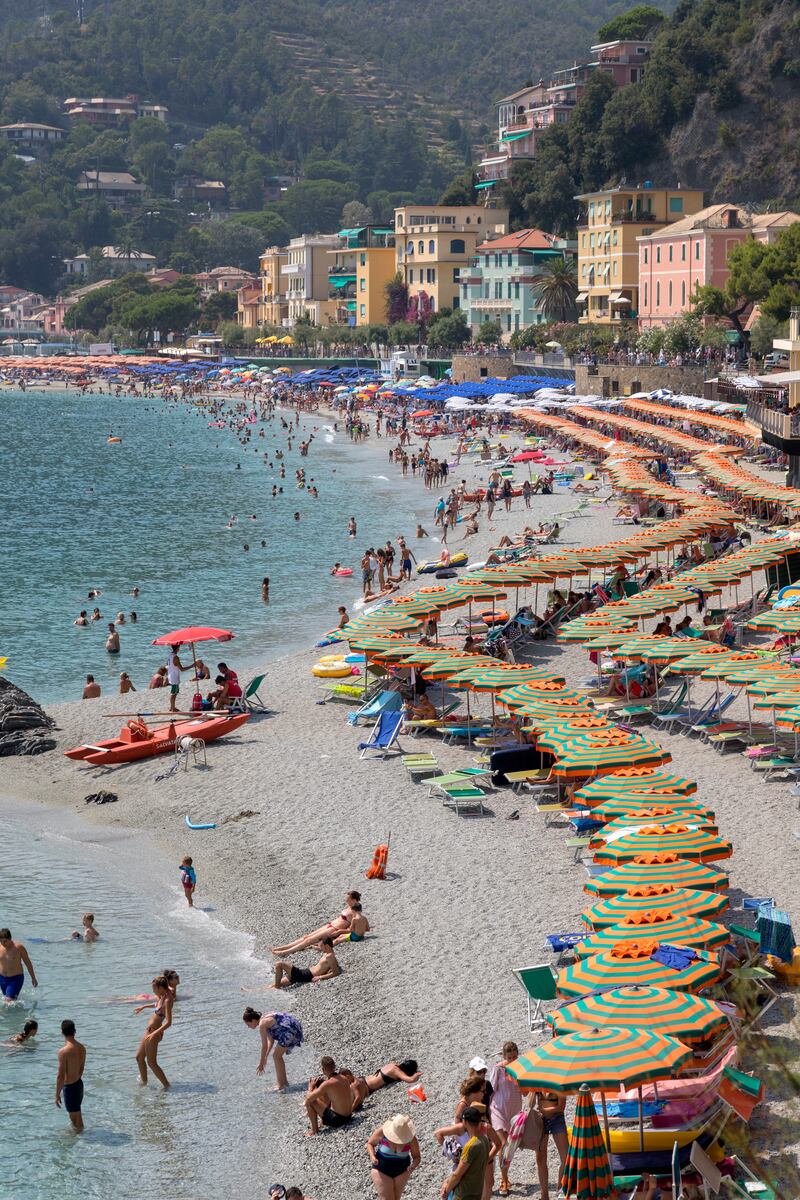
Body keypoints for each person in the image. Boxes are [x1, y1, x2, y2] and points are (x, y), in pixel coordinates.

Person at [270, 891, 362, 954]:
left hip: (334, 929)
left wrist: (339, 933)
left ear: (354, 900)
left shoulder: (355, 912)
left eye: (348, 899)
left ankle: (284, 952)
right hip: (330, 925)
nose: (346, 900)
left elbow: (353, 928)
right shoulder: (350, 907)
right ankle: (284, 947)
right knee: (306, 937)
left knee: (308, 941)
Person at [242, 1008, 304, 1092]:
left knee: (276, 1056)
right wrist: (265, 1058)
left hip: (290, 1029)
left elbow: (264, 1046)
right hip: (294, 1026)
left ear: (252, 1020)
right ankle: (284, 1082)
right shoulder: (264, 1018)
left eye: (248, 1024)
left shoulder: (262, 1024)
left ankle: (280, 1085)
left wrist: (261, 1063)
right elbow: (270, 1041)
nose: (248, 1027)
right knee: (277, 1056)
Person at [489, 1043, 523, 1196]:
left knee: (509, 1146)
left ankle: (505, 1175)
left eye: (515, 1057)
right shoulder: (498, 1069)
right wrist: (486, 1114)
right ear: (504, 1057)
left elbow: (524, 1090)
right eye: (509, 1057)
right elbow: (490, 1090)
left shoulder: (521, 1067)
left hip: (514, 1111)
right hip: (498, 1109)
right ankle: (504, 1180)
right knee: (503, 1144)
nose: (512, 1060)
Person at [439, 1106, 492, 1200]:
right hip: (477, 1191)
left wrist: (446, 1190)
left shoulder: (470, 1146)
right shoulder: (484, 1140)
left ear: (465, 1122)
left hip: (464, 1194)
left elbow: (457, 1175)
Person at [367, 1113, 421, 1197]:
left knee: (396, 1197)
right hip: (381, 1168)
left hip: (402, 1170)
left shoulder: (411, 1138)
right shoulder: (383, 1131)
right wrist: (372, 1156)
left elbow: (417, 1157)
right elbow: (370, 1143)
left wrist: (413, 1166)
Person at [134, 975, 173, 1088]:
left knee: (151, 1063)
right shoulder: (162, 996)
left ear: (161, 987)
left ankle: (167, 1086)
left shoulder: (168, 1000)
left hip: (154, 1032)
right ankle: (144, 1083)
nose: (152, 990)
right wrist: (144, 1006)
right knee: (139, 1057)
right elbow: (157, 1006)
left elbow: (168, 1022)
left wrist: (155, 1033)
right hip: (150, 1031)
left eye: (154, 988)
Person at [531, 1088, 568, 1200]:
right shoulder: (538, 1084)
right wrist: (533, 1092)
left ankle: (560, 1189)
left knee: (566, 1157)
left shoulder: (558, 1083)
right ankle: (544, 1195)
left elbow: (561, 1106)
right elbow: (530, 1104)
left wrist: (544, 1110)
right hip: (541, 1120)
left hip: (557, 1119)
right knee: (540, 1158)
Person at [305, 1057, 355, 1134]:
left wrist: (310, 1087)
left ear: (323, 1069)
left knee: (311, 1101)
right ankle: (321, 1122)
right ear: (334, 1067)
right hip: (349, 1116)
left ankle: (314, 1130)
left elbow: (309, 1098)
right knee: (325, 1095)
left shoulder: (327, 1084)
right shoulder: (344, 1078)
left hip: (338, 1120)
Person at [270, 939, 341, 988]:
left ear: (327, 946)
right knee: (272, 985)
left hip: (305, 975)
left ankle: (277, 987)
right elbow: (336, 966)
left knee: (279, 964)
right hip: (304, 973)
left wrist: (320, 977)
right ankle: (270, 989)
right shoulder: (329, 954)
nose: (320, 948)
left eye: (321, 946)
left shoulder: (329, 956)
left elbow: (336, 972)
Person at [56, 1019, 86, 1132]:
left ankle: (82, 1140)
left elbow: (60, 1075)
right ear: (74, 1031)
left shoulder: (64, 1052)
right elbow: (82, 1067)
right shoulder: (82, 1048)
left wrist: (57, 1094)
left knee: (76, 1119)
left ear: (62, 1032)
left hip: (70, 1087)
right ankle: (79, 1139)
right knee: (76, 1115)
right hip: (79, 1084)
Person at [0, 928, 38, 1000]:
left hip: (15, 978)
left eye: (5, 941)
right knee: (9, 999)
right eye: (1, 941)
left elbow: (28, 963)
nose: (3, 943)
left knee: (8, 1000)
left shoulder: (19, 947)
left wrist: (33, 978)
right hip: (2, 979)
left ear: (10, 939)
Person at [166, 644, 189, 713]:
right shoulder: (176, 657)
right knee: (174, 693)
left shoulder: (170, 655)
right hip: (174, 677)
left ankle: (172, 707)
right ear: (178, 648)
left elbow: (167, 665)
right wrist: (192, 666)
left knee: (174, 692)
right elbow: (182, 669)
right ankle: (173, 708)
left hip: (170, 675)